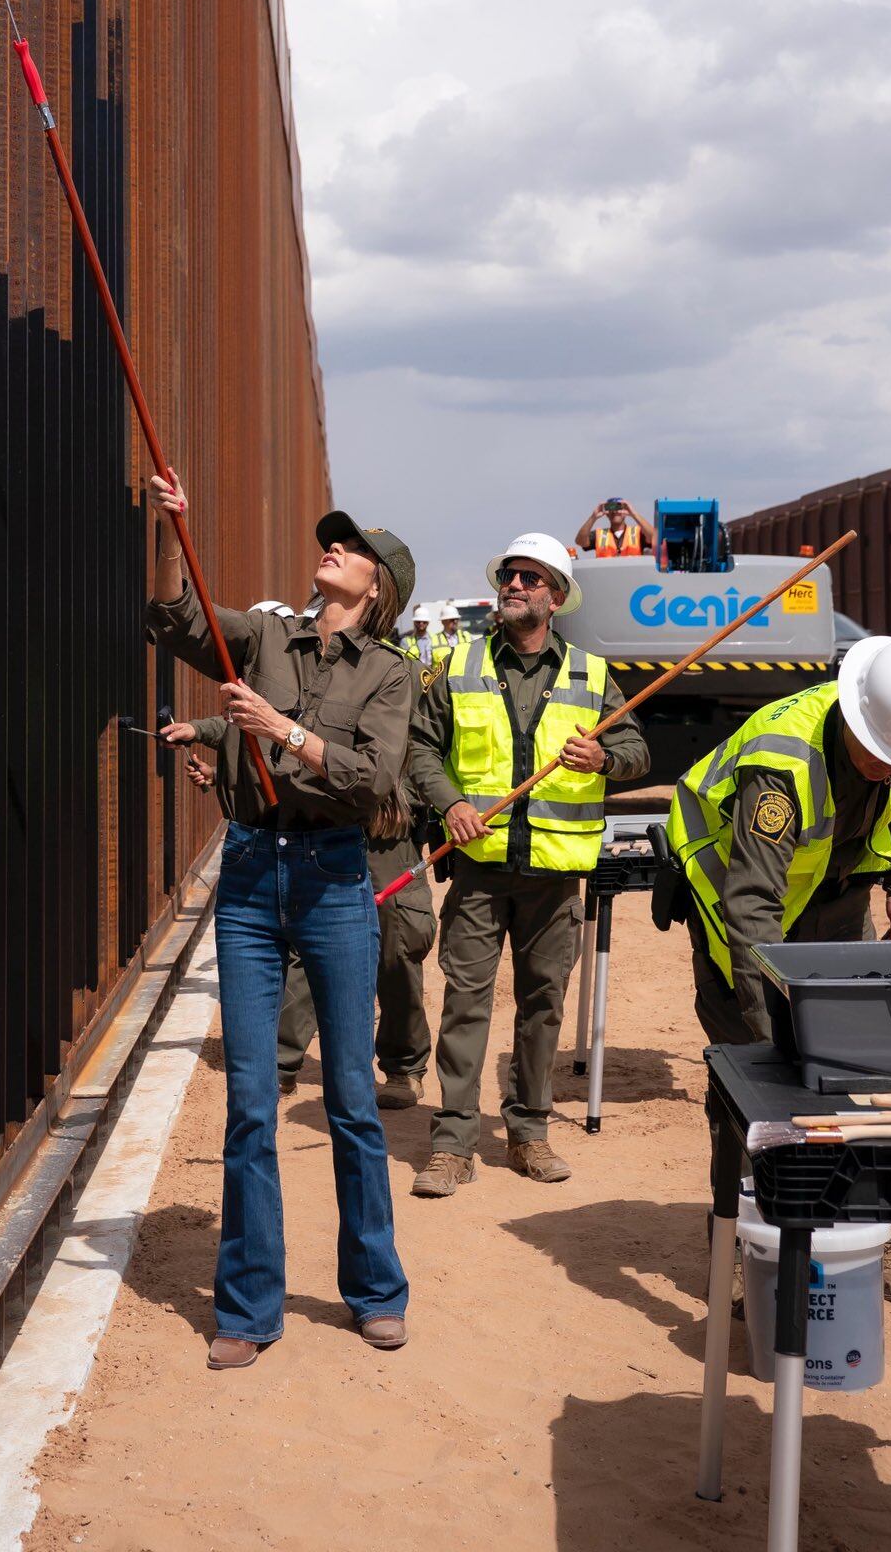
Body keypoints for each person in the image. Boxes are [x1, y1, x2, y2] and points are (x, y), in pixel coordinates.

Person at [146, 477, 415, 1366]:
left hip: (337, 882)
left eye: (350, 546)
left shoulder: (390, 673)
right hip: (254, 877)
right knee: (251, 1104)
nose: (329, 546)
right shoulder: (267, 636)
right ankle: (247, 1309)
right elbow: (180, 620)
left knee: (350, 1100)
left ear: (377, 588)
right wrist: (169, 527)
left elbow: (372, 782)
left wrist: (279, 732)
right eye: (330, 540)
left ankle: (375, 1290)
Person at [667, 636, 891, 1303]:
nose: (889, 772)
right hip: (739, 915)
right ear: (852, 719)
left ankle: (871, 1227)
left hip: (834, 902)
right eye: (878, 758)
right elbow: (752, 910)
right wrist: (775, 1026)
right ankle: (744, 1237)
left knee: (858, 1069)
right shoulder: (784, 761)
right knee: (751, 1086)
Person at [408, 531, 650, 1195]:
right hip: (482, 870)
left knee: (542, 1008)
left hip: (554, 879)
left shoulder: (592, 676)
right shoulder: (459, 666)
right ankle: (454, 1141)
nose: (514, 586)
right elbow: (422, 749)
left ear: (556, 598)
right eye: (509, 576)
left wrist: (605, 759)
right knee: (466, 1004)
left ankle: (529, 1135)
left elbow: (635, 752)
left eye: (529, 578)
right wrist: (451, 802)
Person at [168, 705, 439, 1110]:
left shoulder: (400, 670)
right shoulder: (303, 654)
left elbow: (425, 751)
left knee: (394, 950)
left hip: (386, 830)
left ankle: (402, 1066)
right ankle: (282, 1063)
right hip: (319, 830)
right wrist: (214, 759)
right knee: (300, 943)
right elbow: (261, 716)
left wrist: (451, 806)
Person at [574, 496, 655, 558]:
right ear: (607, 513)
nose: (615, 511)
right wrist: (593, 517)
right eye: (611, 507)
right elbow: (580, 542)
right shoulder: (600, 535)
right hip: (606, 577)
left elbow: (654, 538)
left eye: (619, 507)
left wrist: (634, 514)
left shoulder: (637, 533)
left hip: (633, 576)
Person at [401, 604, 447, 670]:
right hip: (415, 675)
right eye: (418, 622)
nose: (421, 624)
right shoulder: (405, 641)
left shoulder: (435, 638)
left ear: (428, 622)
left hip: (433, 675)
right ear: (414, 622)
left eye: (424, 622)